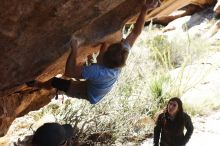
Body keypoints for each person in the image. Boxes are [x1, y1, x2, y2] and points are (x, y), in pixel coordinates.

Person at [27, 0, 158, 104]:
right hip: (98, 81)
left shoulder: (98, 71)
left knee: (58, 83)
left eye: (104, 52)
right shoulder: (121, 52)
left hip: (90, 93)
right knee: (101, 50)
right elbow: (136, 32)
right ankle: (61, 85)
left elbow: (69, 72)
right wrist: (145, 8)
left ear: (103, 61)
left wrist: (74, 49)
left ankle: (39, 85)